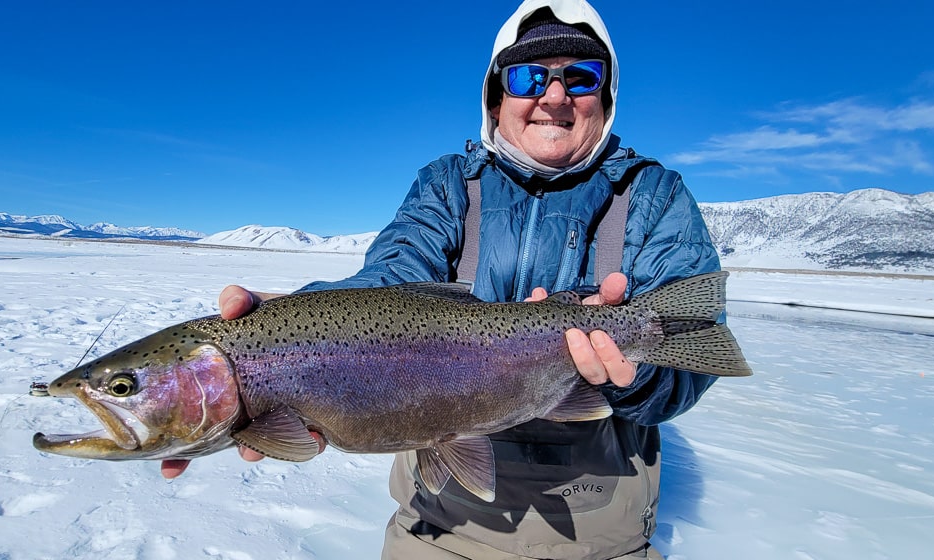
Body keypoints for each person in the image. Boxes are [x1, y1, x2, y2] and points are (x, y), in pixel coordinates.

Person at [163, 0, 723, 557]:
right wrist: (291, 323)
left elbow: (691, 362)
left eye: (580, 77)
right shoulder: (449, 186)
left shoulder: (655, 195)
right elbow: (389, 282)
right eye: (529, 76)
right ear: (495, 94)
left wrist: (631, 372)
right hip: (435, 529)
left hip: (602, 535)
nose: (554, 96)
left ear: (605, 94)